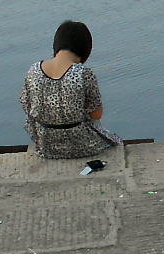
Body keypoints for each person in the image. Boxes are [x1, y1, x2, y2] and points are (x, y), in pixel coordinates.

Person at [21, 20, 117, 160]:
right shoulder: (83, 73)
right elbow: (97, 115)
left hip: (46, 145)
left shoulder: (33, 71)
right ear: (85, 49)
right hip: (81, 145)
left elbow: (26, 105)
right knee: (114, 141)